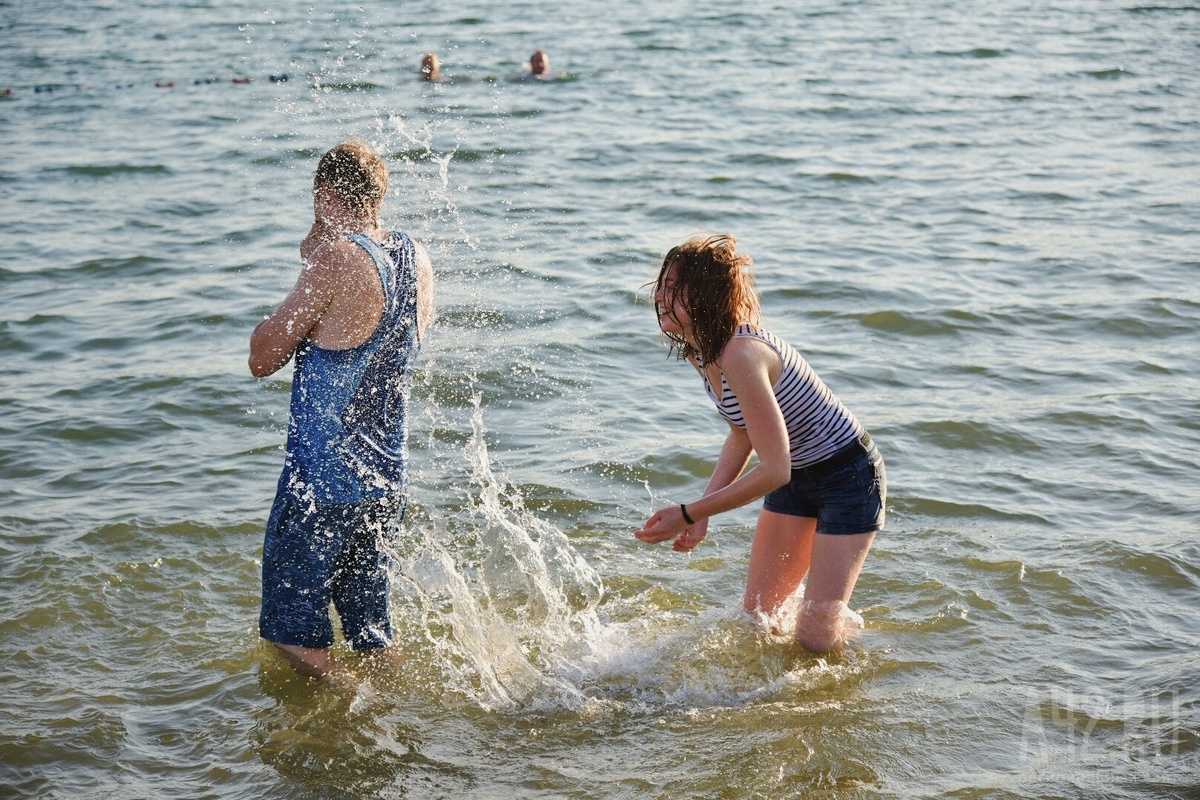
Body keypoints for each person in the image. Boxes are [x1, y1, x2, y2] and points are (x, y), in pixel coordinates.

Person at [635, 234, 885, 653]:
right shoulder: (704, 352)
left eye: (675, 288)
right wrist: (703, 512)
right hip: (796, 477)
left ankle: (861, 677)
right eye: (662, 284)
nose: (661, 297)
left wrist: (686, 512)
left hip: (847, 477)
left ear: (706, 297)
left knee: (816, 634)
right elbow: (742, 432)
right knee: (758, 619)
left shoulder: (740, 352)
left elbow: (774, 468)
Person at [249, 139, 434, 679]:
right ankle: (389, 721)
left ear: (325, 193)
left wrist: (312, 259)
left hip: (321, 483)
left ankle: (342, 723)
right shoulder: (416, 256)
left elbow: (263, 357)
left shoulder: (337, 258)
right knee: (372, 636)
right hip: (384, 481)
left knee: (293, 637)